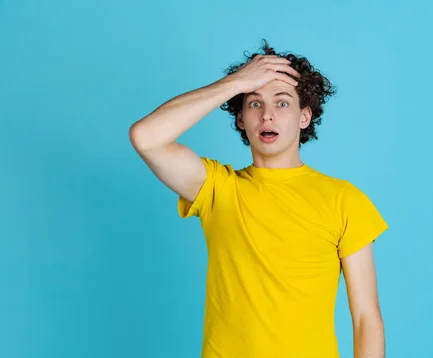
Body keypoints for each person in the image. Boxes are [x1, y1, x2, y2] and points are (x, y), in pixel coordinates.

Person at [129, 40, 388, 358]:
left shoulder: (345, 200)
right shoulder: (217, 189)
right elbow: (146, 137)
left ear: (304, 117)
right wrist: (237, 82)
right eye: (254, 104)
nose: (267, 115)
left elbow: (366, 320)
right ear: (240, 119)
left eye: (282, 104)